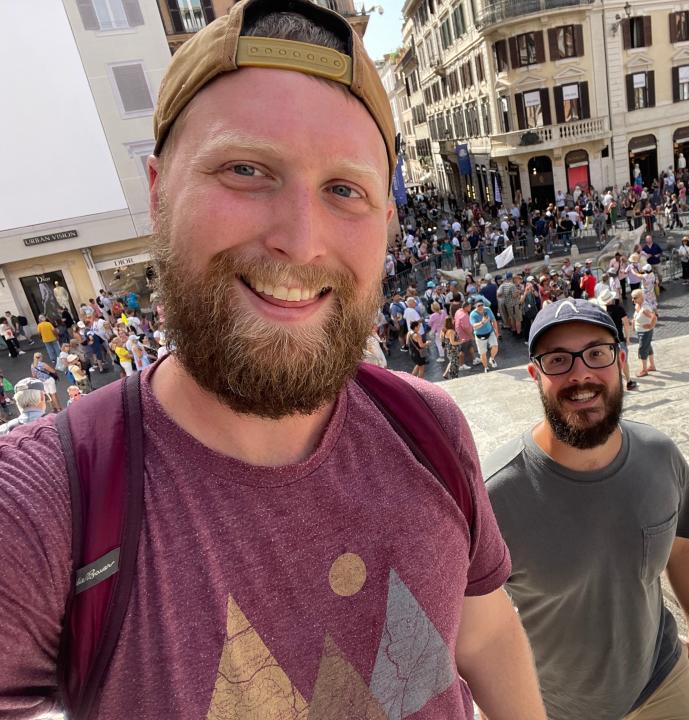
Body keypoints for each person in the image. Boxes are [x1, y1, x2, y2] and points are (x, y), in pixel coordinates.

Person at [0, 3, 546, 718]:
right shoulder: (44, 505)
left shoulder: (431, 428)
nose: (302, 239)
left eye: (344, 190)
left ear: (385, 227)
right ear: (160, 193)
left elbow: (484, 631)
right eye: (247, 170)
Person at [484, 298, 689, 720]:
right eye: (558, 360)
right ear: (535, 375)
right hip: (555, 706)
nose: (581, 372)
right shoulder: (493, 494)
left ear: (620, 360)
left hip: (661, 677)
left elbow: (681, 547)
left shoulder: (660, 457)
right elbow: (477, 627)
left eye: (596, 353)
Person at [597, 287, 636, 390]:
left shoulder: (602, 312)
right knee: (624, 361)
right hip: (619, 340)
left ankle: (615, 385)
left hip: (608, 342)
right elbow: (626, 324)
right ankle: (629, 382)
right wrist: (628, 338)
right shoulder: (619, 309)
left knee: (612, 363)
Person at [632, 291, 659, 376]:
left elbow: (654, 317)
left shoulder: (645, 309)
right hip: (640, 331)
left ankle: (644, 370)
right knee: (648, 347)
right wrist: (633, 325)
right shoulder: (637, 305)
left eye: (635, 298)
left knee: (643, 349)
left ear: (641, 297)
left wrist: (651, 325)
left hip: (645, 332)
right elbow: (636, 316)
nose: (633, 300)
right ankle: (652, 365)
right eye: (632, 298)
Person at [470, 298, 500, 371]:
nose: (480, 307)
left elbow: (493, 320)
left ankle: (492, 358)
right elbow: (474, 326)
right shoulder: (473, 314)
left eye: (482, 305)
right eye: (478, 305)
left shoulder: (487, 309)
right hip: (480, 335)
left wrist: (496, 331)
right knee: (483, 353)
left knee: (495, 346)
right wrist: (482, 322)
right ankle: (486, 367)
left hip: (490, 332)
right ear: (475, 306)